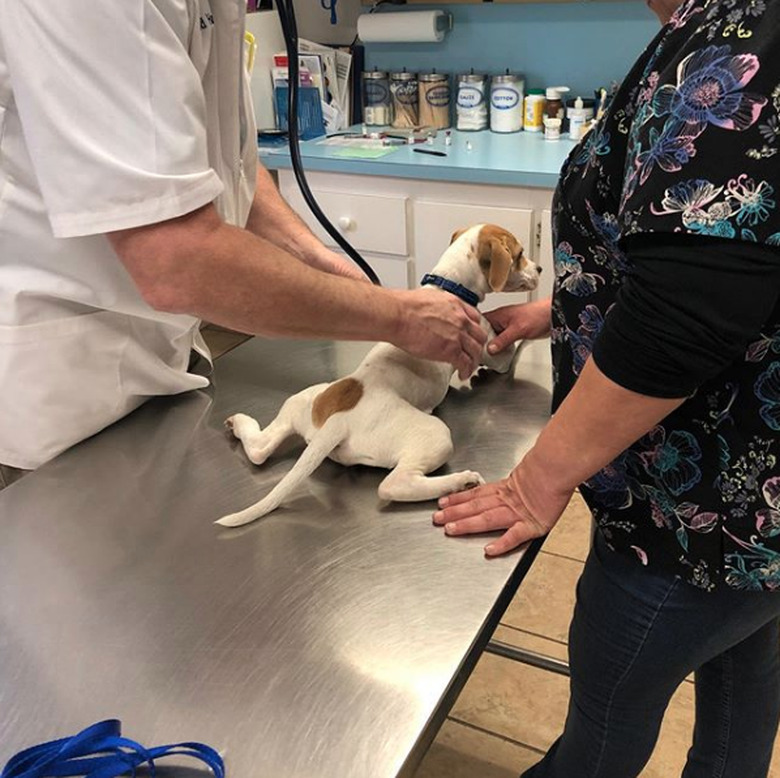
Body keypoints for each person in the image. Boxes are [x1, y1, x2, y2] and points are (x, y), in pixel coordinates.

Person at [434, 0, 780, 775]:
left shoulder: (742, 34)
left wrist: (535, 481)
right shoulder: (712, 22)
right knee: (740, 684)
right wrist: (563, 307)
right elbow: (714, 257)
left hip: (695, 521)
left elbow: (685, 313)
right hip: (753, 520)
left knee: (602, 728)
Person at [0, 2, 486, 488]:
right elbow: (174, 259)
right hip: (61, 396)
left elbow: (219, 160)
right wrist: (395, 316)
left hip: (159, 363)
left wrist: (312, 258)